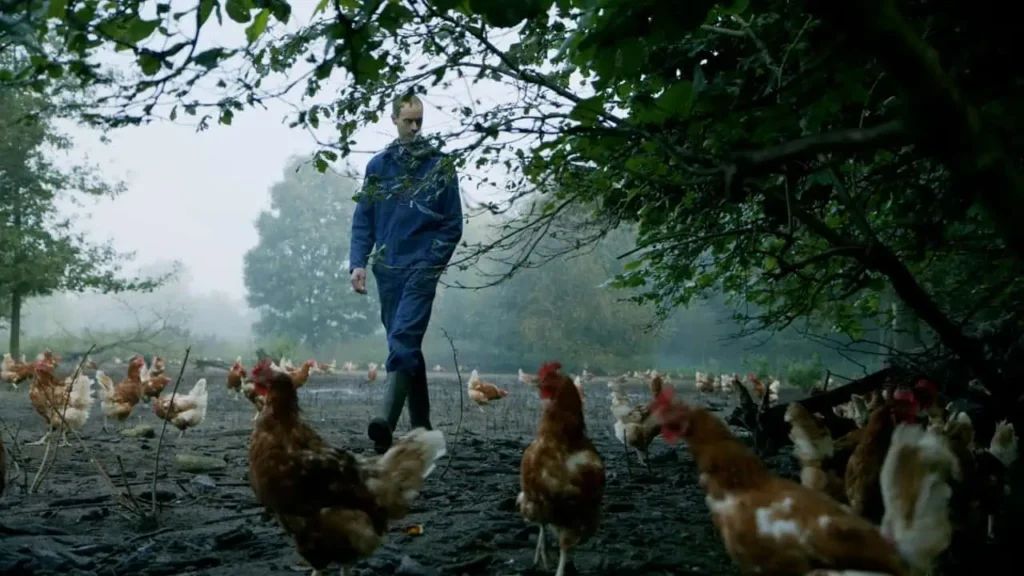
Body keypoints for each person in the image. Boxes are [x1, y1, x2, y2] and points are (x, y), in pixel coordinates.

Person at [349, 94, 463, 454]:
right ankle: (422, 426)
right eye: (408, 120)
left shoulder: (440, 165)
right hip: (388, 269)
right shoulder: (378, 167)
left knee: (403, 337)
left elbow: (453, 224)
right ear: (394, 119)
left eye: (419, 121)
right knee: (405, 345)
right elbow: (363, 219)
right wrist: (358, 262)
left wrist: (432, 260)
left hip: (422, 268)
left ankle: (385, 422)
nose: (415, 127)